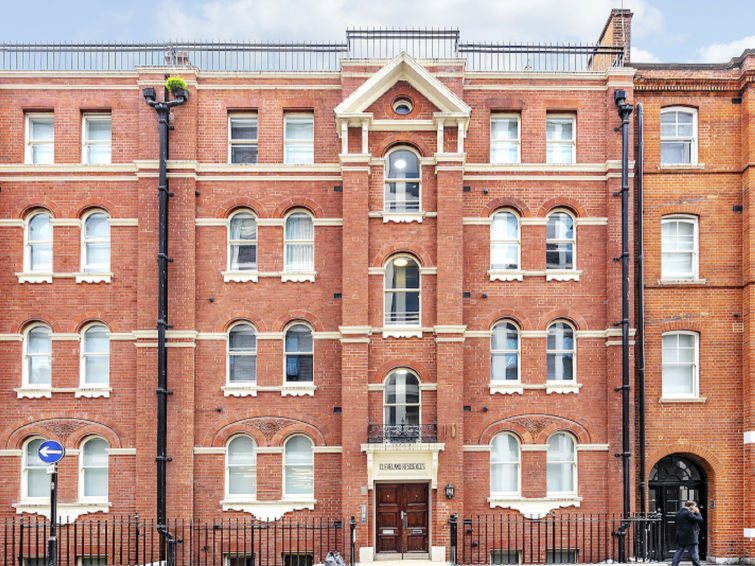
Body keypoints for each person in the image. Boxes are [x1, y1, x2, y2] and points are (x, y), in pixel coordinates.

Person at [671, 500, 704, 566]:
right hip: (691, 536)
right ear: (691, 506)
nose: (695, 507)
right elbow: (700, 520)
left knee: (679, 551)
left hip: (681, 535)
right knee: (694, 553)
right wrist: (698, 513)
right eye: (694, 506)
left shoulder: (679, 512)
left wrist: (693, 513)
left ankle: (674, 564)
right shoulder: (688, 513)